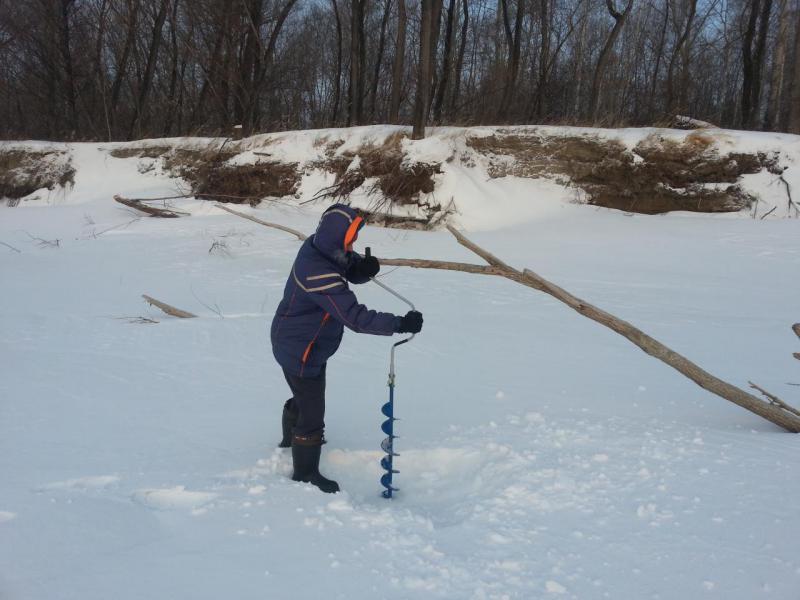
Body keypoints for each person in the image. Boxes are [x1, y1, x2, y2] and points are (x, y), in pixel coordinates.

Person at [270, 204, 423, 493]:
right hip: (301, 348)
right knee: (313, 410)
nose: (350, 245)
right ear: (336, 238)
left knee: (305, 395)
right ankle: (305, 472)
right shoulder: (318, 276)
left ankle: (291, 441)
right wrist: (400, 323)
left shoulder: (315, 247)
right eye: (348, 240)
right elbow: (354, 317)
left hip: (303, 342)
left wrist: (359, 269)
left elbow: (339, 259)